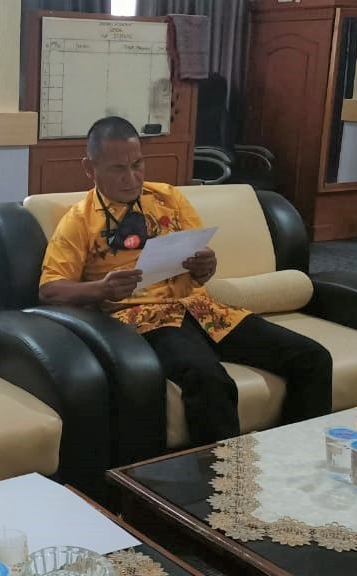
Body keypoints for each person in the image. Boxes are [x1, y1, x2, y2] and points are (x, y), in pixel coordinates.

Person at [39, 116, 332, 444]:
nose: (131, 178)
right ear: (90, 168)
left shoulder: (168, 198)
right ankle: (225, 475)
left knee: (312, 357)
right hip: (146, 319)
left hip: (204, 309)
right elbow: (50, 290)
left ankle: (296, 458)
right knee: (209, 380)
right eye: (118, 169)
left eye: (137, 165)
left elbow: (200, 258)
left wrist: (206, 265)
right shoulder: (78, 221)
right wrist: (102, 288)